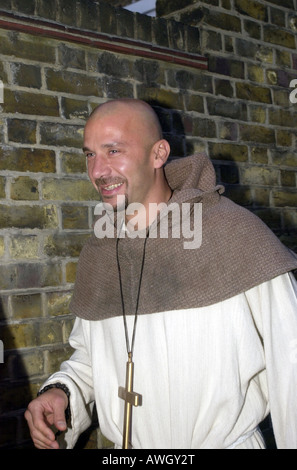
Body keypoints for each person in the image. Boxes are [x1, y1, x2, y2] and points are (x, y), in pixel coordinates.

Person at [25, 99, 297, 449]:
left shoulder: (236, 234)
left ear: (158, 154)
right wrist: (63, 391)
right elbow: (94, 360)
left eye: (113, 150)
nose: (97, 171)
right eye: (90, 154)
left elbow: (291, 360)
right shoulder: (100, 253)